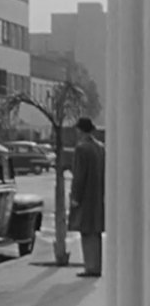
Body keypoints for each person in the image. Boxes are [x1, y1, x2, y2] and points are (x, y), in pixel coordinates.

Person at [69, 117, 105, 277]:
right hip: (98, 196)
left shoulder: (82, 149)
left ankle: (90, 266)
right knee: (96, 232)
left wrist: (75, 196)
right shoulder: (100, 148)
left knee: (86, 232)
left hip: (85, 197)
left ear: (80, 130)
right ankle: (96, 265)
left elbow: (79, 175)